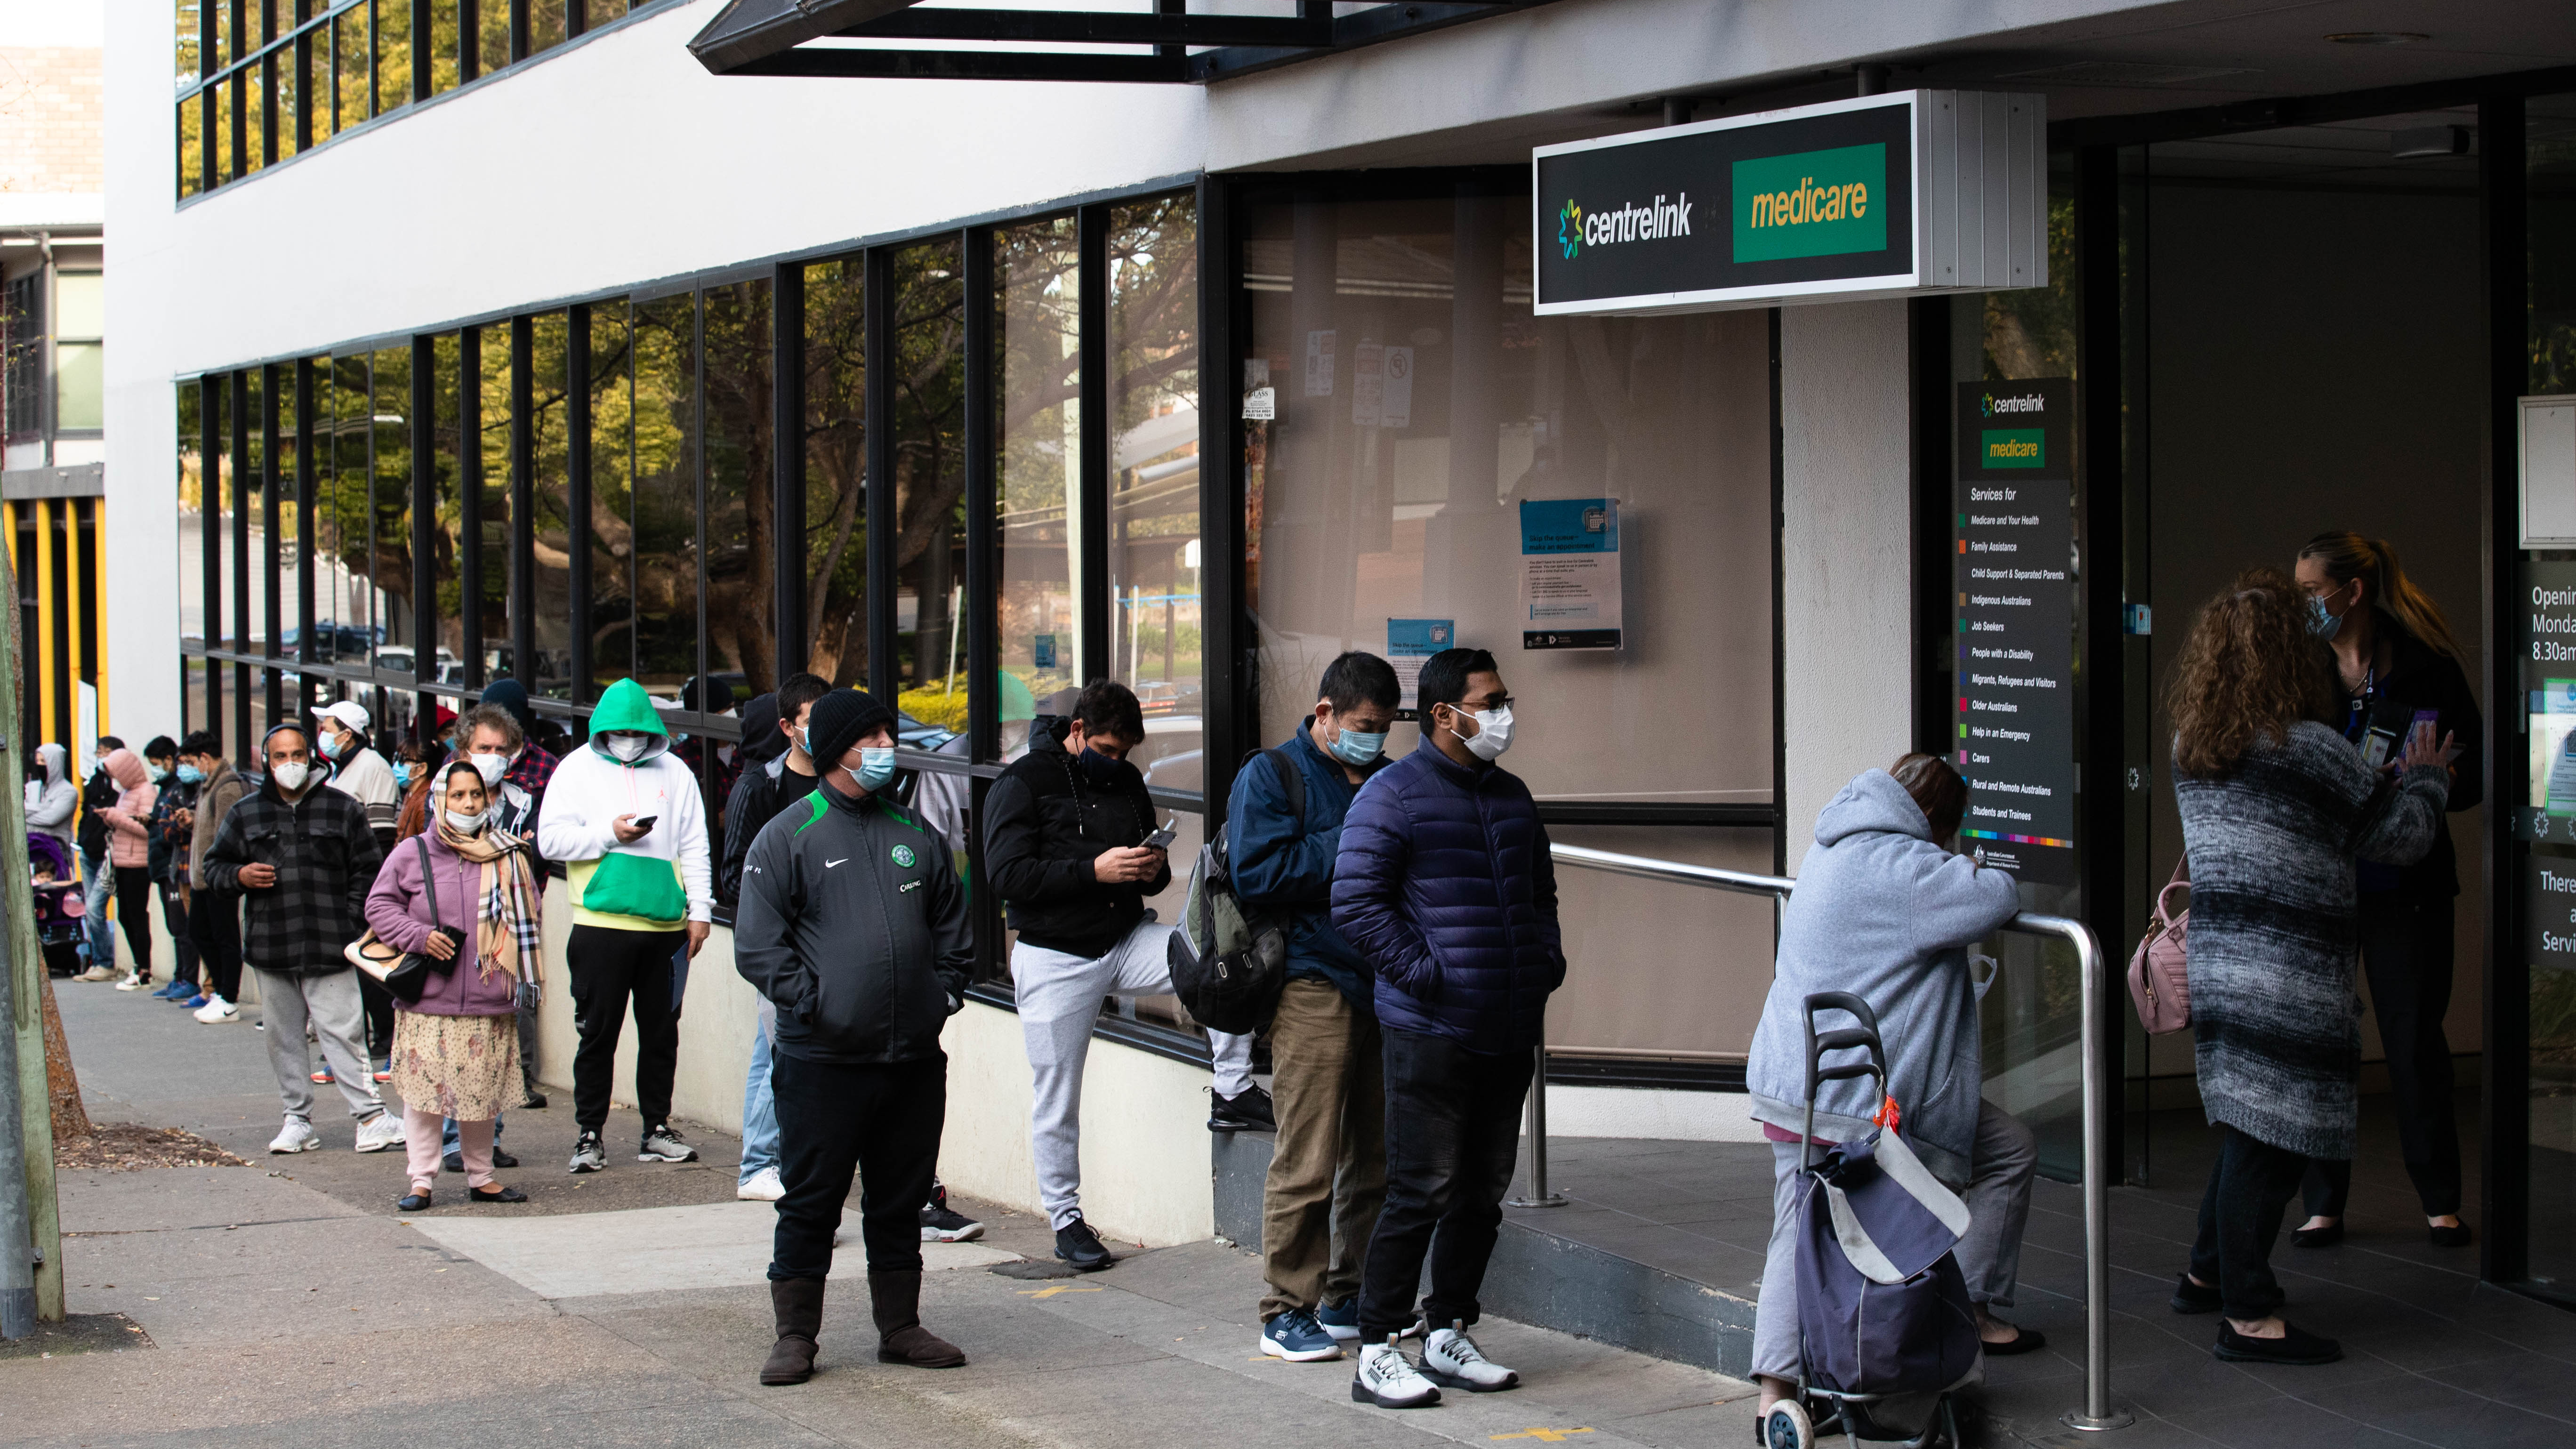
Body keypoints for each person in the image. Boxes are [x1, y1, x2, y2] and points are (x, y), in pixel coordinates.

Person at [2166, 568, 2453, 1366]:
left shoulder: (2194, 747)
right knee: (2276, 1141)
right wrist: (2426, 777)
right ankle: (2248, 1315)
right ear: (2292, 658)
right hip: (2290, 977)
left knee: (2246, 1125)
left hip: (2223, 962)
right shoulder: (2314, 752)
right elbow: (2398, 836)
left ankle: (2204, 1272)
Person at [1743, 753, 2036, 1420]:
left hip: (1797, 1078)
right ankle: (1946, 1323)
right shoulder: (1904, 869)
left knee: (1797, 1220)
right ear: (1936, 823)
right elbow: (1996, 897)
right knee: (1999, 1154)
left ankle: (1779, 1395)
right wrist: (1976, 865)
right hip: (1852, 1102)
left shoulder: (1834, 843)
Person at [1330, 646, 1558, 1410]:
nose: (1503, 713)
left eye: (1502, 698)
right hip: (1429, 1029)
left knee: (1480, 1193)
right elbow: (1357, 903)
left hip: (1507, 1024)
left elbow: (1540, 892)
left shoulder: (1513, 795)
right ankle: (1376, 1346)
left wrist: (1542, 966)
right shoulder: (1392, 795)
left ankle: (1448, 1327)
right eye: (1489, 701)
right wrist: (1427, 975)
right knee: (1418, 1189)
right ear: (1443, 714)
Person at [734, 688, 974, 1384]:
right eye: (871, 735)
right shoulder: (789, 834)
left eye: (886, 734)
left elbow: (954, 927)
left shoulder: (915, 833)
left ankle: (900, 1325)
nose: (885, 746)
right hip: (822, 1061)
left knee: (899, 1198)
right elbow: (759, 946)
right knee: (810, 1199)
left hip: (911, 1061)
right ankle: (796, 1336)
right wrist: (812, 1005)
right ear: (838, 746)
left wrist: (945, 993)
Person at [983, 678, 1257, 1271]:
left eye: (1125, 753)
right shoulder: (1023, 782)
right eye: (1106, 750)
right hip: (1054, 955)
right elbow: (1006, 877)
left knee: (1219, 962)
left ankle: (1234, 1088)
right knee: (1057, 1096)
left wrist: (1151, 866)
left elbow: (1150, 879)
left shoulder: (1129, 781)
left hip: (1125, 937)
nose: (1116, 762)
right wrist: (1094, 872)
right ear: (1077, 730)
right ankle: (1066, 1220)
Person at [2290, 532, 2483, 1249]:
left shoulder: (2426, 667)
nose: (2305, 604)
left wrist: (2433, 779)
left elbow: (2480, 766)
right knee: (2326, 1043)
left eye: (2313, 591)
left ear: (2353, 591)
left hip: (2408, 880)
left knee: (2412, 1040)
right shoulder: (2300, 669)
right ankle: (2322, 1202)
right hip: (2326, 880)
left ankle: (2440, 1199)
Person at [1234, 652, 1398, 1363]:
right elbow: (1260, 871)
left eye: (1385, 729)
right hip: (1310, 983)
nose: (1375, 739)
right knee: (1308, 1155)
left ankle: (1346, 1294)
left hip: (1383, 982)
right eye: (1364, 725)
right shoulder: (1273, 775)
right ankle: (1285, 1308)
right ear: (1326, 712)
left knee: (1378, 1157)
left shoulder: (1390, 776)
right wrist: (1358, 835)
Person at [201, 721, 406, 1154]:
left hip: (332, 945)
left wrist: (351, 923)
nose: (290, 764)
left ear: (312, 757)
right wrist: (239, 874)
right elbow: (213, 868)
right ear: (266, 761)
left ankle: (371, 1117)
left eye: (298, 754)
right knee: (284, 1037)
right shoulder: (246, 812)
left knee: (345, 1033)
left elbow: (369, 872)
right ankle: (297, 1120)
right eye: (280, 756)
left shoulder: (343, 809)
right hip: (271, 946)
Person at [536, 677, 713, 1174]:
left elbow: (695, 844)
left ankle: (656, 1128)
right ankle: (588, 1134)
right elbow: (550, 841)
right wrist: (607, 835)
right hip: (600, 924)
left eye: (638, 729)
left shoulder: (675, 772)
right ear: (602, 730)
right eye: (618, 729)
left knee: (662, 1034)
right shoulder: (575, 769)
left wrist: (700, 911)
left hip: (665, 928)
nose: (629, 737)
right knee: (598, 1033)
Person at [366, 760, 540, 1209]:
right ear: (439, 801)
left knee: (480, 1096)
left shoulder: (509, 853)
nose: (467, 803)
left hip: (488, 998)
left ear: (488, 800)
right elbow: (380, 907)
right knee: (425, 1098)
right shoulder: (412, 852)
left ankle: (482, 1177)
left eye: (475, 795)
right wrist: (419, 937)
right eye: (457, 795)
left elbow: (530, 919)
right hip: (429, 1000)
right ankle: (420, 1181)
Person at [719, 675, 832, 1204]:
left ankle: (787, 1160)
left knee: (793, 1054)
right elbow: (734, 875)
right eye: (814, 720)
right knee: (776, 1052)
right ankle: (760, 1164)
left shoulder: (841, 784)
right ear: (788, 728)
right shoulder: (759, 787)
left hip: (835, 945)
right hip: (783, 947)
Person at [319, 700, 403, 1081]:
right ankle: (375, 1036)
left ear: (348, 732)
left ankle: (387, 1036)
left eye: (328, 726)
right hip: (340, 884)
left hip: (365, 885)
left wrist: (370, 893)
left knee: (372, 964)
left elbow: (381, 837)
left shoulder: (373, 767)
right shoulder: (340, 770)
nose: (324, 734)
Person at [178, 731, 251, 1023]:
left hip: (218, 878)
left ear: (205, 758)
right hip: (202, 878)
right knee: (200, 932)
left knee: (225, 937)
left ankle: (229, 997)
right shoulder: (210, 785)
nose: (191, 768)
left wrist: (223, 872)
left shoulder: (227, 786)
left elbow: (227, 833)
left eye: (192, 762)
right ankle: (221, 992)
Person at [143, 737, 207, 1003]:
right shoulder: (169, 791)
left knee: (185, 926)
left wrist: (169, 827)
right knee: (176, 925)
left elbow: (176, 828)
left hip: (183, 865)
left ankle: (190, 980)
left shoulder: (188, 789)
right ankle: (181, 976)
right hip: (169, 867)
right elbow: (166, 826)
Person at [94, 746, 161, 991]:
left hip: (138, 863)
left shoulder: (146, 791)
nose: (114, 779)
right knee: (125, 916)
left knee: (137, 916)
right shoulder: (125, 792)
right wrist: (110, 817)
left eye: (116, 773)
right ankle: (138, 966)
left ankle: (144, 970)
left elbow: (148, 829)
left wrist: (116, 817)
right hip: (122, 861)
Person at [71, 736, 124, 981]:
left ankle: (105, 962)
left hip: (108, 856)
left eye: (107, 753)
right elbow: (86, 814)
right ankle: (99, 961)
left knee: (94, 908)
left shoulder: (121, 786)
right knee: (92, 911)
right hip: (88, 852)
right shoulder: (95, 781)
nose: (102, 757)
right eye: (100, 752)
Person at [26, 741, 76, 848]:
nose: (40, 765)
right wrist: (44, 808)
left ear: (55, 763)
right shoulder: (31, 787)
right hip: (30, 849)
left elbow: (51, 819)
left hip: (55, 851)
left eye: (44, 761)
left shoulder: (69, 792)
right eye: (38, 761)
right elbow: (18, 810)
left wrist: (24, 816)